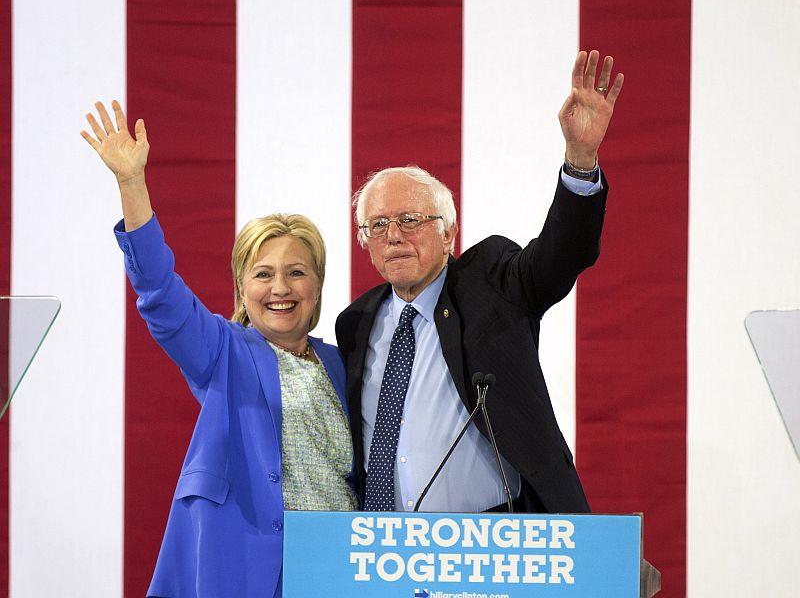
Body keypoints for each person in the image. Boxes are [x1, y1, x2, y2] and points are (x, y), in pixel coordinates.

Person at [81, 101, 357, 597]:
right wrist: (131, 185)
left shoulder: (345, 363)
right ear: (241, 285)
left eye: (296, 272)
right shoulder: (223, 350)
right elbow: (161, 295)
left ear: (317, 284)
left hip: (338, 567)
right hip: (247, 563)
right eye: (263, 273)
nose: (281, 287)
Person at [336, 50, 624, 514]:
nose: (393, 236)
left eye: (410, 219)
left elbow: (561, 255)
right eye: (378, 225)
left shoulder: (492, 282)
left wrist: (580, 160)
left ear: (449, 231)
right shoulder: (355, 322)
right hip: (388, 549)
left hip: (492, 541)